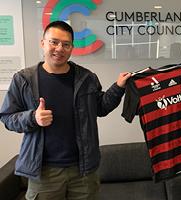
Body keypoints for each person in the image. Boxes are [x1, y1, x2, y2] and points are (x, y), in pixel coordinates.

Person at [0, 20, 131, 200]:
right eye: (54, 42)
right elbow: (7, 117)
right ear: (43, 43)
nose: (59, 48)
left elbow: (100, 107)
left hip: (83, 171)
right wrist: (33, 117)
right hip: (44, 172)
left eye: (66, 44)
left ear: (72, 48)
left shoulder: (86, 78)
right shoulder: (24, 79)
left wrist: (118, 87)